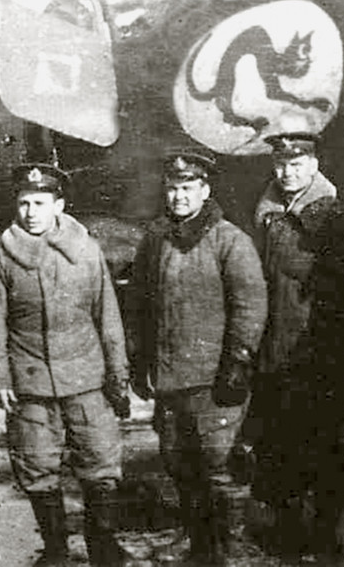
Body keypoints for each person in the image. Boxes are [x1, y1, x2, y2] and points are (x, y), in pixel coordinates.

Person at [0, 163, 132, 566]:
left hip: (85, 379)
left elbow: (108, 316)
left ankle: (103, 547)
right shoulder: (2, 256)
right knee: (36, 465)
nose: (31, 211)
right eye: (24, 203)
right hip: (31, 383)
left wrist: (118, 374)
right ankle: (57, 552)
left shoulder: (86, 250)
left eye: (40, 203)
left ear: (58, 205)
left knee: (100, 465)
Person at [127, 150, 268, 565]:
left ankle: (233, 550)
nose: (178, 197)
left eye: (188, 188)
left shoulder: (230, 241)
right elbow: (138, 304)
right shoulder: (155, 240)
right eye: (172, 188)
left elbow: (250, 306)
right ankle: (201, 545)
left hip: (215, 384)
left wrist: (238, 364)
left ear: (205, 190)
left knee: (221, 471)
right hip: (171, 381)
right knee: (179, 466)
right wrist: (139, 361)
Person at [244, 132, 344, 561]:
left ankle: (324, 534)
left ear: (315, 163)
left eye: (298, 162)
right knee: (276, 445)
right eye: (282, 163)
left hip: (318, 355)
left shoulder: (333, 216)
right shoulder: (268, 214)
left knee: (321, 445)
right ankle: (288, 530)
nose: (288, 172)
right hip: (274, 354)